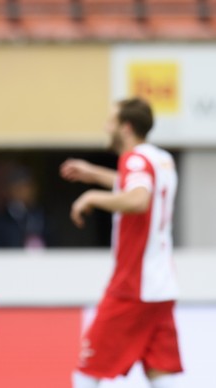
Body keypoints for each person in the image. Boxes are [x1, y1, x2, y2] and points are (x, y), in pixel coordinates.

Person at [60, 97, 183, 388]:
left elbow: (139, 198)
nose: (106, 126)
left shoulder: (135, 159)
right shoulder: (160, 159)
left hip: (132, 286)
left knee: (85, 373)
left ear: (125, 127)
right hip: (162, 286)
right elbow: (135, 183)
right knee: (160, 373)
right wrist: (92, 173)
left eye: (111, 121)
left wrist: (91, 197)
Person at [0, 166, 48, 248]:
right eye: (19, 188)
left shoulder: (44, 216)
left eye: (27, 187)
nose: (24, 192)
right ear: (8, 191)